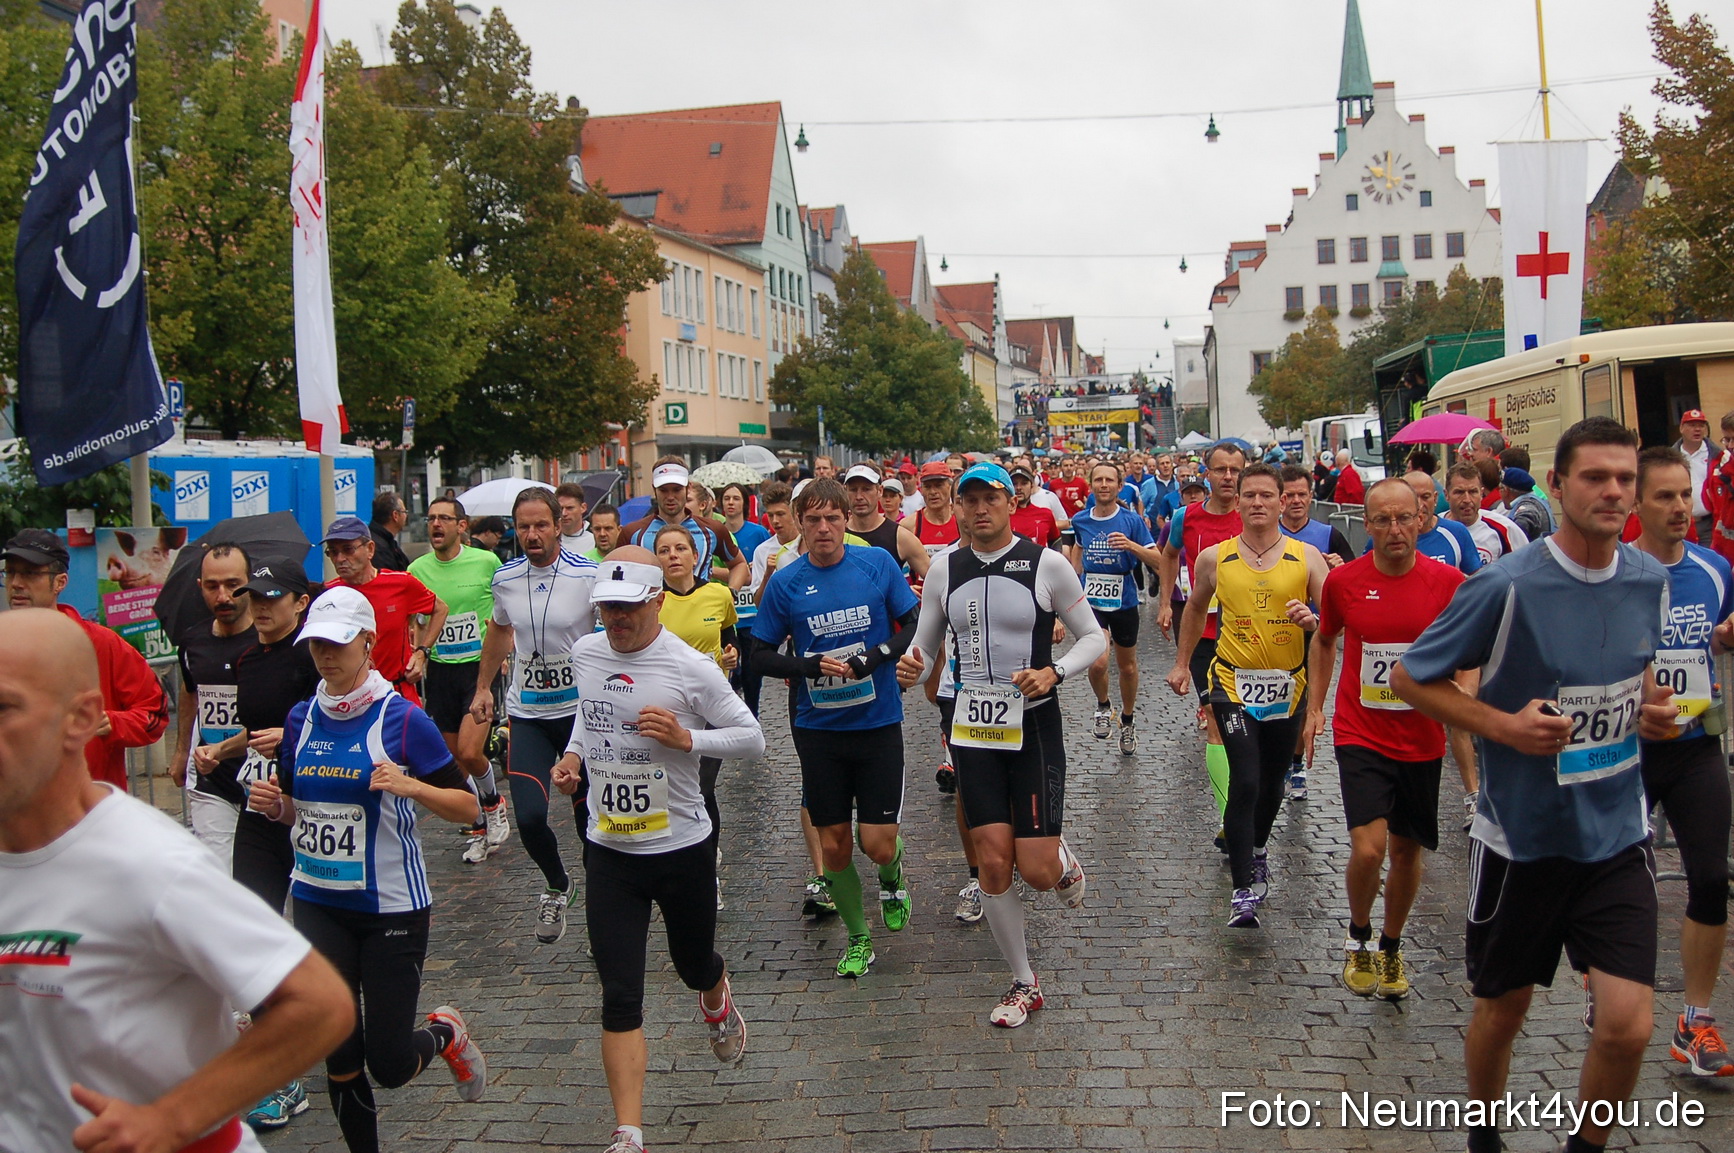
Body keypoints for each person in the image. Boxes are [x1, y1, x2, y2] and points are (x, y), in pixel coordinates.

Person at [1392, 417, 1676, 1153]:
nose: (1612, 492)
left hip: (1616, 835)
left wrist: (1652, 709)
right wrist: (1504, 727)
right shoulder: (1506, 583)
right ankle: (1484, 1132)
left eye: (1623, 479)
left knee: (1628, 1023)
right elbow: (1409, 676)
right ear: (1557, 485)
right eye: (1595, 477)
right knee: (1503, 1008)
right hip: (1521, 838)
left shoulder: (1649, 576)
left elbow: (1636, 666)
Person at [0, 607, 355, 1153]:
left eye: (4, 708)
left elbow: (320, 1004)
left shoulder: (146, 861)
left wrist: (171, 1119)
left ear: (81, 717)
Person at [247, 587, 490, 1152]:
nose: (326, 656)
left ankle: (444, 1032)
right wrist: (275, 806)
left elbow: (469, 806)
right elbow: (299, 811)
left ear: (368, 642)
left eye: (337, 644)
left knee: (389, 1063)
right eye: (316, 646)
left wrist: (410, 784)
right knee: (339, 1053)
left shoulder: (401, 719)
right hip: (315, 902)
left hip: (390, 911)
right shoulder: (301, 717)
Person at [550, 549, 764, 1153]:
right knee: (619, 992)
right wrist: (571, 760)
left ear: (656, 602)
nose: (614, 620)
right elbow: (589, 720)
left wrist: (686, 736)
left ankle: (715, 991)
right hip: (610, 851)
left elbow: (753, 738)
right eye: (606, 609)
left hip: (680, 848)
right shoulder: (587, 654)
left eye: (626, 608)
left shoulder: (691, 667)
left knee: (692, 964)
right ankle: (629, 1132)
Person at [898, 462, 1105, 1027]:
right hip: (972, 730)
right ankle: (1023, 981)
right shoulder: (944, 568)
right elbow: (923, 650)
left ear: (1011, 503)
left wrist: (1055, 673)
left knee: (1035, 871)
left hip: (1034, 724)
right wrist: (908, 672)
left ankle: (1059, 861)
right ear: (958, 508)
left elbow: (1094, 637)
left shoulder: (1047, 564)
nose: (980, 508)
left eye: (991, 498)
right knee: (991, 860)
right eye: (970, 500)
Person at [750, 479, 922, 978]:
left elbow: (913, 622)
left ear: (847, 520)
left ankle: (892, 876)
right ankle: (858, 937)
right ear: (799, 525)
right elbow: (760, 654)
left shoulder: (876, 565)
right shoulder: (786, 581)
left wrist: (878, 656)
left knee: (877, 842)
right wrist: (807, 667)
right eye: (813, 520)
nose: (823, 529)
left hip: (877, 723)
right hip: (818, 731)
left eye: (832, 519)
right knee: (835, 845)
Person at [1303, 478, 1468, 998]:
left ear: (1421, 518)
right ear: (1366, 525)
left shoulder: (1449, 583)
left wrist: (1464, 695)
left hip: (1421, 737)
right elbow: (1325, 640)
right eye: (1382, 521)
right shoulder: (1344, 582)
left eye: (1404, 518)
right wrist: (1315, 709)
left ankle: (1392, 948)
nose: (1395, 530)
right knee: (1368, 850)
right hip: (1362, 731)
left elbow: (1472, 651)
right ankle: (1357, 938)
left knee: (1406, 852)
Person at [1168, 462, 1328, 928]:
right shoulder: (1215, 558)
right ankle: (1241, 890)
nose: (1257, 503)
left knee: (1274, 781)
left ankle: (1258, 849)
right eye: (1249, 495)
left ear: (1283, 501)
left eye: (1266, 496)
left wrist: (1313, 622)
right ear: (1237, 502)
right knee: (1248, 778)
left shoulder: (1307, 558)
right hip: (1232, 685)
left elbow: (1332, 626)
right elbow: (1195, 608)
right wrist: (1181, 663)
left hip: (1287, 687)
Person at [1628, 446, 1734, 1078]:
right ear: (1636, 502)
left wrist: (1723, 635)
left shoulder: (1715, 568)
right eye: (1664, 496)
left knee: (1710, 880)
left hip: (1697, 747)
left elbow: (1717, 637)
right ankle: (1612, 992)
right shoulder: (1613, 572)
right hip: (1625, 754)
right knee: (1623, 886)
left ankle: (1695, 1021)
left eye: (1686, 495)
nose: (1680, 508)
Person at [469, 488, 599, 944]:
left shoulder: (588, 576)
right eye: (523, 526)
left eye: (540, 524)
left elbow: (609, 638)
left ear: (558, 523)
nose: (531, 534)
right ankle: (558, 885)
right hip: (529, 715)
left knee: (590, 828)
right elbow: (501, 630)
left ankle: (603, 912)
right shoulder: (505, 578)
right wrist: (484, 688)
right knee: (528, 817)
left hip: (579, 721)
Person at [221, 558, 321, 1129]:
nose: (258, 607)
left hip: (314, 810)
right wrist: (226, 750)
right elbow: (253, 728)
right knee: (250, 925)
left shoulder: (317, 655)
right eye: (251, 597)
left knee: (316, 942)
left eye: (270, 597)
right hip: (261, 803)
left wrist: (293, 733)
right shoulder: (247, 659)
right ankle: (281, 1078)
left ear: (298, 602)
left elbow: (334, 717)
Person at [3, 529, 167, 790]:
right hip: (16, 814)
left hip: (89, 811)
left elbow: (155, 715)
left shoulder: (103, 644)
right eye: (10, 572)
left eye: (30, 573)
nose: (16, 583)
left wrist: (111, 723)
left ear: (60, 582)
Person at [408, 497, 510, 865]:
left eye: (444, 519)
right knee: (456, 762)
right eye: (431, 518)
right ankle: (481, 826)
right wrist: (417, 651)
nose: (436, 525)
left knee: (470, 750)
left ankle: (495, 806)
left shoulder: (486, 561)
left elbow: (504, 611)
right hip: (440, 671)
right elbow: (418, 620)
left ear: (461, 526)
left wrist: (502, 650)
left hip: (477, 670)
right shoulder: (417, 569)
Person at [1158, 442, 1245, 840]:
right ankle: (1229, 817)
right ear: (1205, 474)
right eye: (1220, 470)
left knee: (1248, 723)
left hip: (1249, 634)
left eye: (1235, 470)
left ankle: (1252, 796)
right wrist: (1165, 601)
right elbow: (1170, 555)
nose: (1228, 477)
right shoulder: (1184, 517)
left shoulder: (1254, 515)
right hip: (1203, 632)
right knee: (1214, 718)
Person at [654, 522, 740, 908]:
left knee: (702, 791)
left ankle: (708, 875)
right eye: (664, 550)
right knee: (672, 792)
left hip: (711, 709)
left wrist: (733, 653)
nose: (673, 556)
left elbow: (729, 635)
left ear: (695, 555)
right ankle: (677, 862)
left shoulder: (719, 594)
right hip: (667, 712)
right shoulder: (652, 601)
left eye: (679, 549)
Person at [172, 542, 259, 862]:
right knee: (219, 876)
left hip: (262, 779)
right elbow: (189, 690)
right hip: (213, 781)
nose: (222, 596)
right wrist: (182, 751)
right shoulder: (192, 641)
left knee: (258, 885)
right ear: (200, 587)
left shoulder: (269, 641)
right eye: (212, 586)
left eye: (232, 585)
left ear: (249, 582)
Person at [1274, 464, 1355, 800]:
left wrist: (1340, 569)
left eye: (1301, 495)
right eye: (1289, 495)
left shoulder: (1328, 535)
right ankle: (1272, 761)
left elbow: (1355, 579)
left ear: (1311, 497)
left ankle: (1295, 765)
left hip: (1313, 631)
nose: (1295, 501)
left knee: (1302, 702)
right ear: (1280, 500)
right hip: (1271, 627)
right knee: (1274, 699)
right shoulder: (1266, 532)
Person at [1070, 460, 1159, 754]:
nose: (1104, 485)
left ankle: (1128, 719)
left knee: (1128, 666)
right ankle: (1103, 705)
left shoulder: (1131, 521)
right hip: (1092, 601)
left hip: (1124, 600)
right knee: (1096, 662)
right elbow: (1078, 553)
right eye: (1099, 480)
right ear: (1091, 485)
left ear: (1120, 486)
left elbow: (1158, 561)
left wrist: (1131, 546)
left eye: (1110, 480)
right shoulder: (1081, 520)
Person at [324, 516, 447, 706]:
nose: (340, 559)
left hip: (395, 695)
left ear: (370, 549)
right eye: (333, 552)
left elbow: (440, 608)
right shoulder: (328, 595)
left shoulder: (401, 583)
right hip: (348, 700)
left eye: (348, 549)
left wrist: (422, 653)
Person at [622, 459, 749, 589]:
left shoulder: (712, 529)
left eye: (677, 490)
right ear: (654, 489)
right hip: (655, 608)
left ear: (688, 488)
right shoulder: (633, 532)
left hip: (700, 608)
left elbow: (739, 565)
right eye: (664, 490)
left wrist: (730, 594)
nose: (670, 497)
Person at [1372, 472, 1482, 576]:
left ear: (1435, 499)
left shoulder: (1456, 532)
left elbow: (1477, 580)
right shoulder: (1384, 537)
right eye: (1414, 497)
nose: (1420, 505)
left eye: (1425, 497)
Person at [842, 463, 932, 579]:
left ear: (880, 491)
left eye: (866, 489)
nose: (859, 496)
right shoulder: (837, 534)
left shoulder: (900, 537)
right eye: (853, 490)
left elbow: (936, 582)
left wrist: (903, 589)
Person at [1444, 462, 1529, 566]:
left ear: (1481, 493)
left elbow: (1526, 568)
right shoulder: (1432, 527)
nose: (1467, 499)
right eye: (1459, 492)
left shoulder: (1505, 529)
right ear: (1446, 495)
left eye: (1473, 492)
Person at [1675, 408, 1713, 546]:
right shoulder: (1672, 457)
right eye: (1692, 425)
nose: (1697, 429)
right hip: (1680, 523)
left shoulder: (1716, 455)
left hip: (1709, 524)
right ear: (1682, 428)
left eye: (1701, 425)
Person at [1009, 465, 1061, 548]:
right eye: (1014, 484)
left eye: (1024, 483)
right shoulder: (1002, 516)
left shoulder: (1045, 513)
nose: (1018, 488)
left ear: (1032, 485)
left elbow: (1056, 541)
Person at [1500, 467, 1557, 542]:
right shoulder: (1537, 500)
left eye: (1500, 489)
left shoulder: (1528, 505)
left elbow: (1525, 518)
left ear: (1506, 490)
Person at [368, 492, 411, 573]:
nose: (406, 516)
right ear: (395, 515)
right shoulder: (379, 549)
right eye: (404, 512)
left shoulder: (387, 542)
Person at [556, 482, 596, 557]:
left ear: (583, 508)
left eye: (569, 508)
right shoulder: (550, 538)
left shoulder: (595, 537)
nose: (564, 513)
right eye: (560, 508)